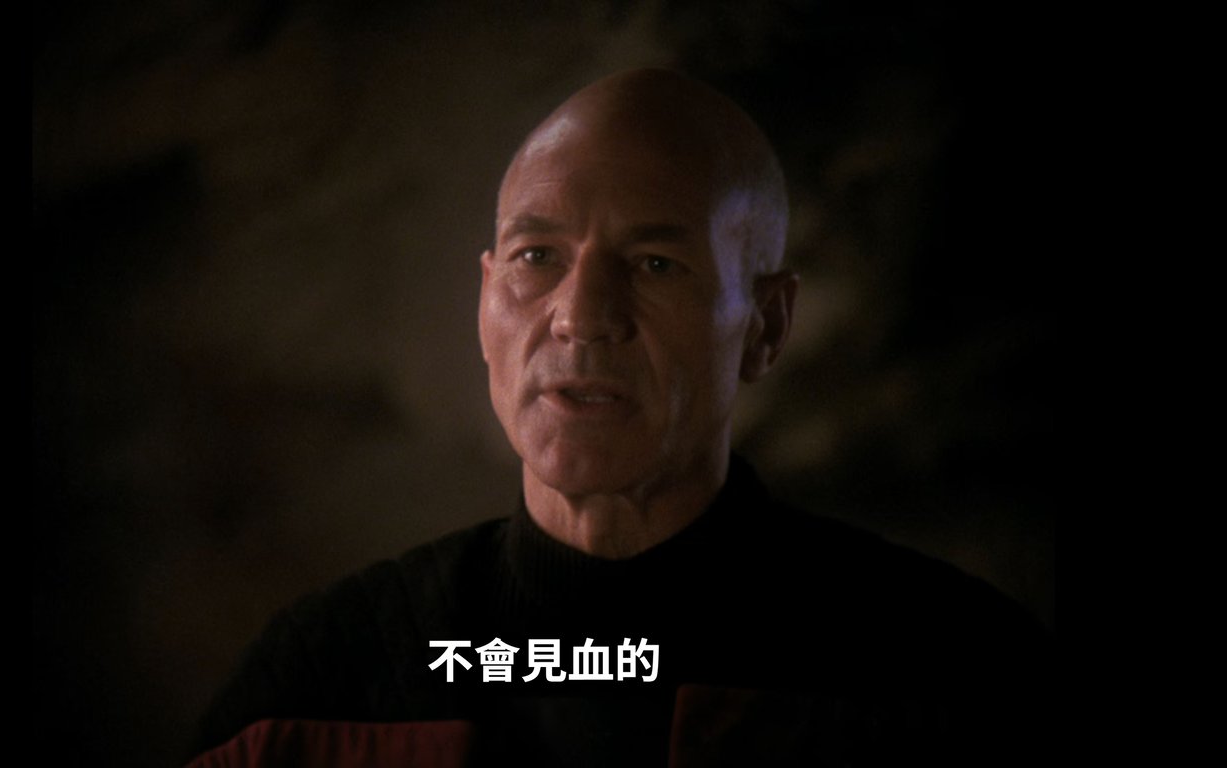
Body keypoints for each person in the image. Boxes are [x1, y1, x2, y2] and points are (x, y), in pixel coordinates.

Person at [187, 68, 1051, 767]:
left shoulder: (950, 674)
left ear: (765, 325)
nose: (581, 316)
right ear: (485, 303)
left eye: (655, 264)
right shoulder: (321, 688)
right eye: (537, 257)